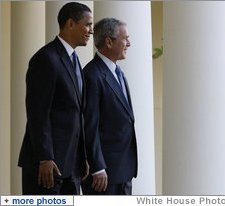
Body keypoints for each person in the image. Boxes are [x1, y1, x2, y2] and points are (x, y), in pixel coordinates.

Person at [18, 2, 93, 195]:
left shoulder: (75, 60)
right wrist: (45, 158)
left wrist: (81, 156)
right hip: (48, 168)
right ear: (70, 24)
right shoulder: (45, 59)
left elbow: (76, 113)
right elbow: (37, 113)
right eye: (87, 24)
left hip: (71, 167)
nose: (91, 31)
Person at [82, 18, 137, 195]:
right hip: (104, 176)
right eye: (125, 38)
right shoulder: (92, 75)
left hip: (123, 171)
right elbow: (90, 125)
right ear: (108, 41)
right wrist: (98, 167)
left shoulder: (117, 72)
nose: (129, 43)